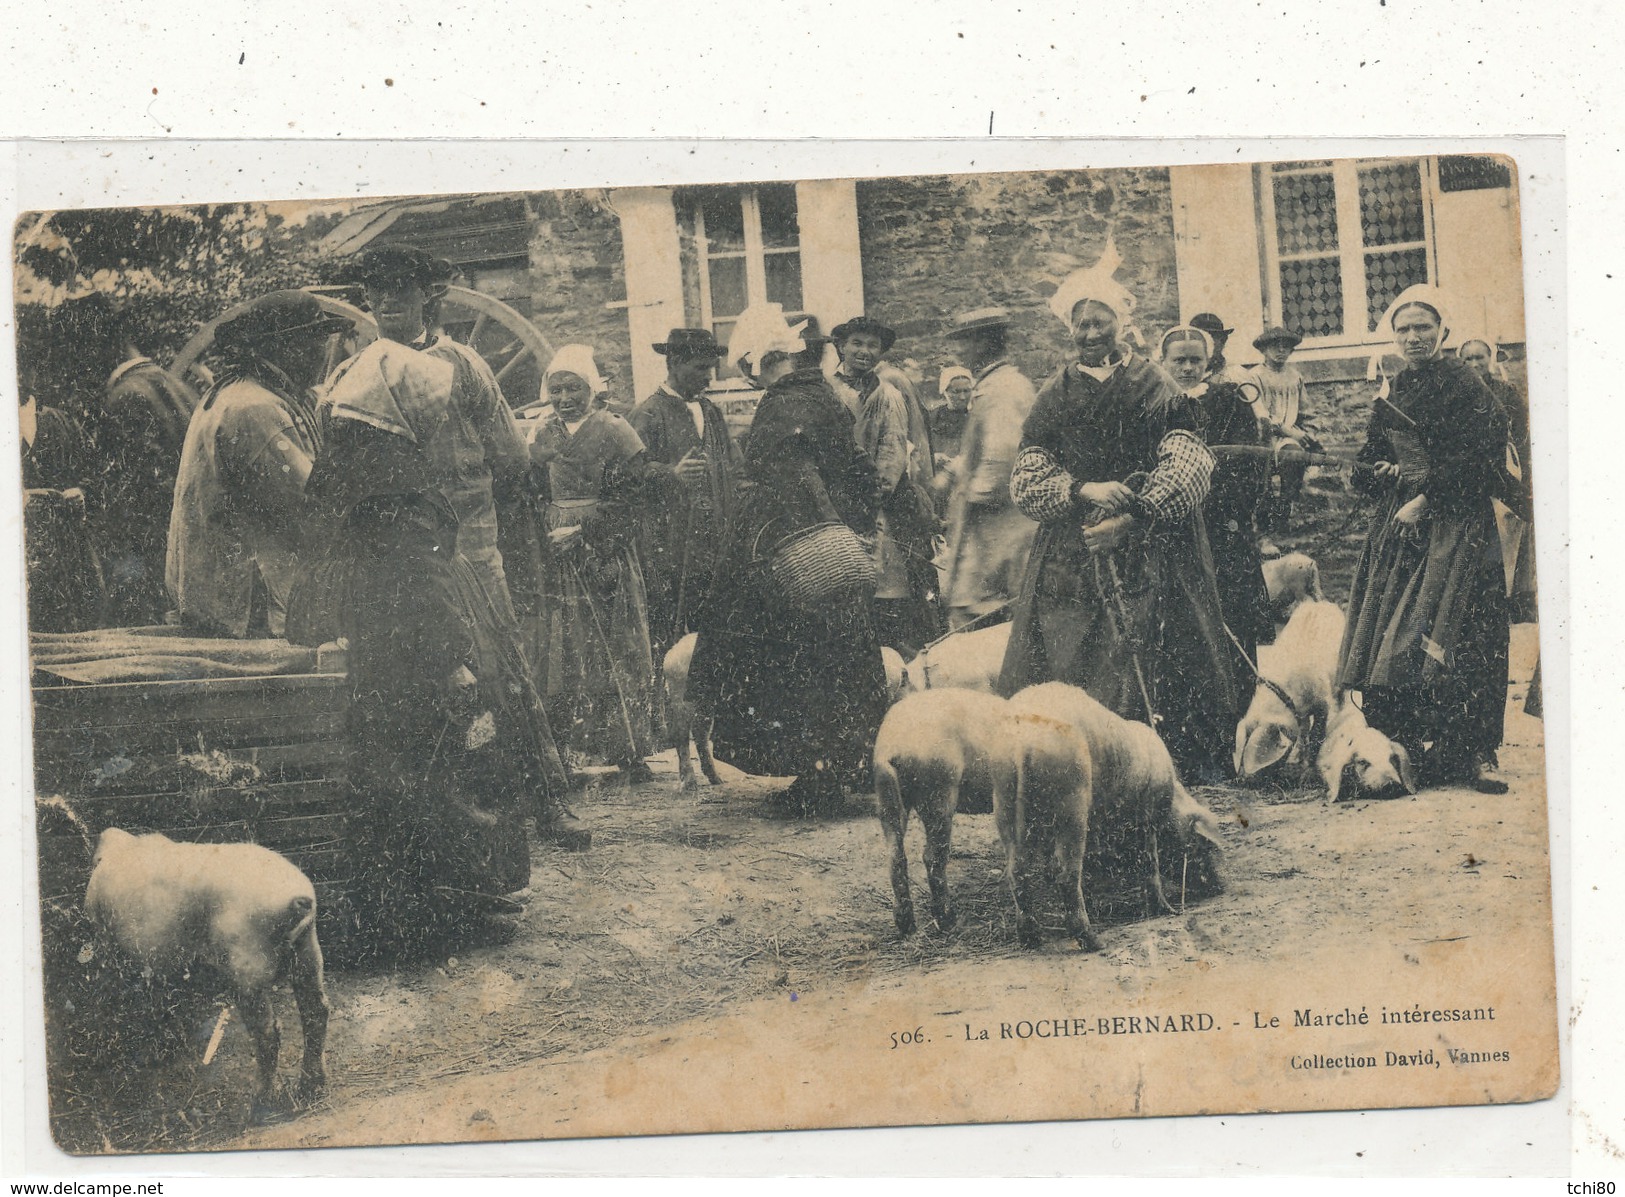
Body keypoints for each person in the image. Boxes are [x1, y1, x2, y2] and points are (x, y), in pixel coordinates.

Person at [306, 340, 576, 952]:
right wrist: (452, 655)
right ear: (402, 406)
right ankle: (446, 909)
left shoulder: (353, 457)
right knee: (443, 772)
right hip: (415, 653)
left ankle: (398, 908)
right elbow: (420, 578)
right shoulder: (396, 476)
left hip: (378, 650)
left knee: (391, 777)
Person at [998, 245, 1241, 783]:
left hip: (1154, 542)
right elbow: (1027, 477)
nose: (1091, 333)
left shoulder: (1155, 384)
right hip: (1073, 548)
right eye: (1081, 324)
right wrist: (1083, 489)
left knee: (1169, 644)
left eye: (1101, 322)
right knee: (1068, 651)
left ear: (1121, 324)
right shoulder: (1054, 394)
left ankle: (1164, 767)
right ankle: (1074, 765)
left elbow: (1187, 462)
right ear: (1070, 328)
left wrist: (1134, 517)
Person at [688, 303, 888, 816]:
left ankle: (818, 777)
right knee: (841, 660)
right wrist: (850, 524)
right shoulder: (823, 394)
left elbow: (793, 478)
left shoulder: (783, 403)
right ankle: (843, 766)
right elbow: (861, 471)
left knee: (798, 662)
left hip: (801, 553)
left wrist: (799, 527)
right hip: (834, 547)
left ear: (761, 360)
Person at [1339, 285, 1511, 794]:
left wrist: (1428, 497)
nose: (1414, 337)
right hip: (1401, 533)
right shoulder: (1393, 390)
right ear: (1393, 337)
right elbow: (1367, 459)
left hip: (1456, 524)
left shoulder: (1465, 382)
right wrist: (1381, 471)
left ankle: (1472, 752)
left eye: (1423, 327)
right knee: (1397, 633)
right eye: (1404, 329)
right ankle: (1405, 746)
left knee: (1465, 634)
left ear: (1444, 332)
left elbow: (1484, 450)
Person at [352, 243, 532, 630]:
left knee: (491, 657)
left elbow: (512, 456)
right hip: (391, 559)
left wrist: (471, 501)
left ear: (425, 292)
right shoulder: (352, 374)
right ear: (366, 295)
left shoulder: (463, 365)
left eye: (401, 285)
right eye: (377, 287)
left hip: (468, 547)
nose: (388, 297)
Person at [166, 290, 346, 638]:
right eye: (313, 341)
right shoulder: (255, 408)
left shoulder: (247, 393)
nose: (321, 351)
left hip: (222, 591)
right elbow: (310, 502)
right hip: (245, 603)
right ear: (286, 348)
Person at [528, 345, 659, 786]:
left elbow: (632, 499)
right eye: (556, 388)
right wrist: (547, 529)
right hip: (556, 555)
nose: (564, 397)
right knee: (566, 648)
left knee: (615, 643)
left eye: (574, 388)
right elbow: (530, 492)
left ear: (592, 389)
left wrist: (587, 537)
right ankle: (567, 751)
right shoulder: (542, 434)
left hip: (604, 553)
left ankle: (630, 750)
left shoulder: (614, 431)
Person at [830, 315, 942, 656]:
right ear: (841, 347)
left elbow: (893, 452)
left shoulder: (888, 395)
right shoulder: (827, 391)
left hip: (875, 504)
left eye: (872, 346)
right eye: (857, 344)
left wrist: (870, 496)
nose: (864, 352)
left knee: (885, 585)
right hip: (834, 503)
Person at [629, 328, 741, 669]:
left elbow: (733, 465)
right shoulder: (647, 413)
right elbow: (627, 474)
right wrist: (670, 474)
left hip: (713, 541)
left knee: (713, 626)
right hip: (670, 545)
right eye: (699, 368)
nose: (708, 376)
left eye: (711, 368)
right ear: (674, 363)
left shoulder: (711, 412)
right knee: (671, 627)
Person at [1159, 325, 1271, 664]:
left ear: (1209, 361)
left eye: (1196, 360)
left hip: (1222, 528)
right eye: (1179, 361)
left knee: (1231, 615)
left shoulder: (1230, 401)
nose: (1188, 369)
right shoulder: (1154, 405)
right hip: (1170, 530)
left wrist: (1211, 503)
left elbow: (1249, 468)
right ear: (1163, 362)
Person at [936, 308, 1039, 630]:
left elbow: (1002, 454)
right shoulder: (996, 385)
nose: (959, 351)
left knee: (983, 607)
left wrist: (971, 496)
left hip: (1000, 524)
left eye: (965, 342)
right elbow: (980, 449)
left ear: (983, 343)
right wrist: (951, 474)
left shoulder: (1002, 390)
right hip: (994, 525)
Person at [1458, 334, 1537, 622]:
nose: (1475, 363)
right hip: (1471, 472)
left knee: (1508, 530)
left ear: (1489, 359)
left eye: (1480, 356)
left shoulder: (1505, 393)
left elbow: (1522, 436)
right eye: (1468, 358)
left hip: (1506, 466)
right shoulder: (1457, 394)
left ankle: (1512, 597)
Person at [1245, 325, 1318, 546]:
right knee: (1262, 475)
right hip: (1262, 435)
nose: (1280, 351)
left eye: (1286, 347)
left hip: (1288, 437)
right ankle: (1263, 528)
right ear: (1264, 350)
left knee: (1294, 457)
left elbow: (1306, 411)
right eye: (1274, 347)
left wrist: (1308, 434)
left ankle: (1284, 510)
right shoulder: (1254, 376)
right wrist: (1284, 429)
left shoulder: (1295, 377)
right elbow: (1259, 413)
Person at [1188, 312, 1248, 388]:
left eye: (1210, 339)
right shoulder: (1181, 374)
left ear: (1223, 341)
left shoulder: (1237, 375)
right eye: (1197, 339)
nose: (1203, 346)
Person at [929, 366, 975, 463]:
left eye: (966, 391)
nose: (962, 397)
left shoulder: (975, 419)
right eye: (956, 392)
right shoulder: (933, 417)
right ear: (944, 391)